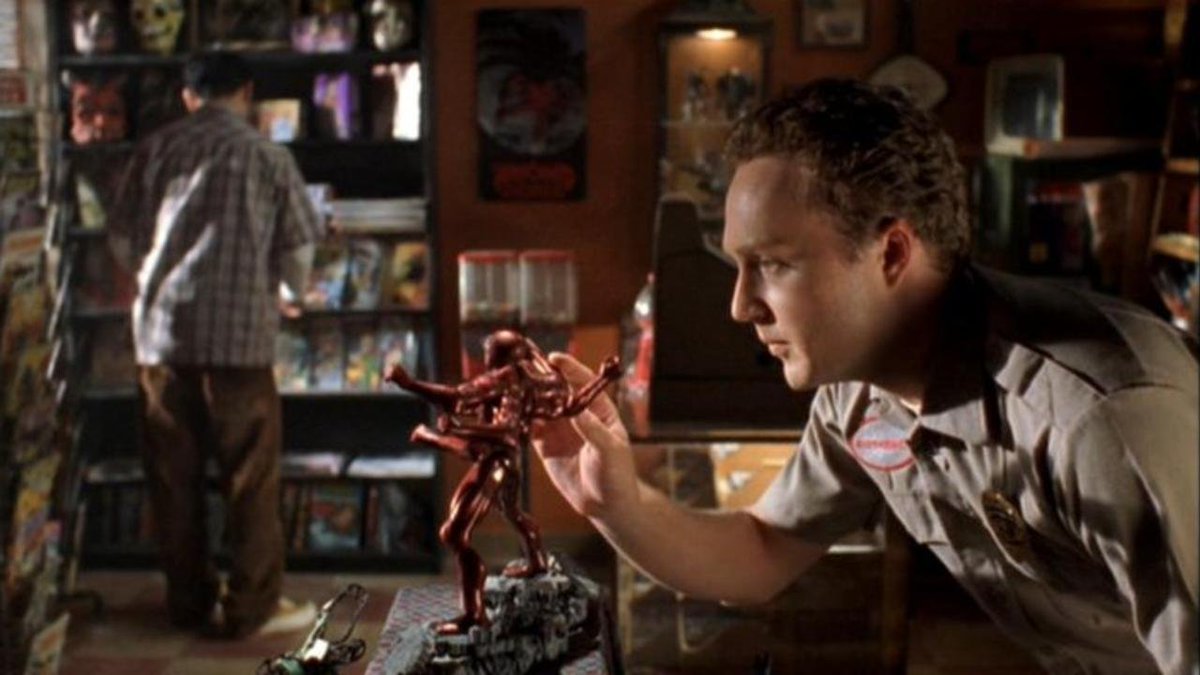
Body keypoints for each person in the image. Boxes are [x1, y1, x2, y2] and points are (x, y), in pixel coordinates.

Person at [534, 78, 1198, 675]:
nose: (740, 306)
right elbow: (762, 551)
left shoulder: (1101, 418)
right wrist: (616, 501)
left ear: (893, 253)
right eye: (739, 266)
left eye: (773, 264)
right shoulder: (860, 393)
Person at [109, 52, 324, 639]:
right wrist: (290, 291)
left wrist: (156, 275)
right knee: (250, 477)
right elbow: (298, 248)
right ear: (246, 92)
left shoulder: (155, 149)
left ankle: (188, 603)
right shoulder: (266, 155)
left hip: (161, 340)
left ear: (188, 96)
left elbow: (122, 241)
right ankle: (251, 606)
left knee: (172, 479)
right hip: (241, 341)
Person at [385, 330, 619, 634]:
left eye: (489, 352)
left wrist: (409, 384)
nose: (486, 360)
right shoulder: (534, 382)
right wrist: (602, 379)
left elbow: (467, 404)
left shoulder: (505, 379)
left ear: (498, 356)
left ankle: (474, 614)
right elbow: (571, 405)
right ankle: (536, 562)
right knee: (512, 512)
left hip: (496, 462)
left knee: (454, 534)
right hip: (508, 463)